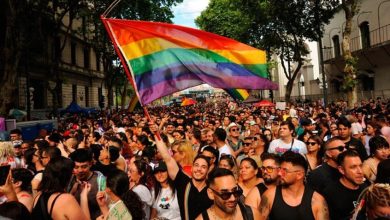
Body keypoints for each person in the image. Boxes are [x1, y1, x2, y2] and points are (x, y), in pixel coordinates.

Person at [152, 122, 213, 220]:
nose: (199, 169)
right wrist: (156, 133)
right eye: (196, 165)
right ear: (193, 167)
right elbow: (166, 156)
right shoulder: (183, 180)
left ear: (208, 170)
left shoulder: (212, 187)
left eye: (203, 167)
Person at [259, 151, 329, 220]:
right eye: (280, 169)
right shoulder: (270, 195)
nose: (279, 173)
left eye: (285, 170)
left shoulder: (317, 201)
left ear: (299, 175)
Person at [196, 168, 261, 220]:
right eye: (225, 194)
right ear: (211, 194)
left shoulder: (252, 214)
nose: (232, 198)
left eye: (235, 192)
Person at [322, 150, 370, 220]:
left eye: (360, 166)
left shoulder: (366, 188)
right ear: (341, 170)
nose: (360, 171)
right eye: (353, 167)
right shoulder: (330, 193)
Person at [69, 149, 102, 220]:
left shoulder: (100, 181)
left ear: (90, 164)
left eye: (84, 167)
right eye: (76, 167)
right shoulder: (68, 179)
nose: (80, 170)